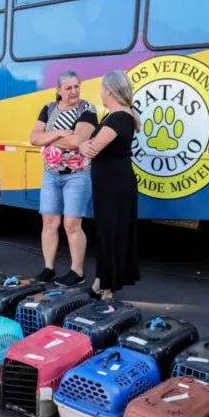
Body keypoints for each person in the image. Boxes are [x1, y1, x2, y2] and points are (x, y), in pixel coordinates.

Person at [29, 71, 99, 286]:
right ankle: (49, 268)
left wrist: (48, 139)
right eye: (68, 88)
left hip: (77, 176)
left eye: (77, 86)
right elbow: (33, 138)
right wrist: (59, 133)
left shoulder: (87, 109)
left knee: (71, 224)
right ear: (58, 91)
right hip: (51, 175)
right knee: (49, 222)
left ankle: (77, 272)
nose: (74, 92)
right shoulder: (48, 108)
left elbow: (78, 140)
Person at [80, 70, 141, 300]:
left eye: (102, 89)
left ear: (110, 90)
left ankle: (106, 288)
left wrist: (84, 144)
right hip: (114, 182)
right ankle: (101, 281)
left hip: (112, 185)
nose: (101, 93)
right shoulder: (121, 116)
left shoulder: (118, 118)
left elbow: (93, 148)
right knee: (108, 231)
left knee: (109, 232)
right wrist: (84, 144)